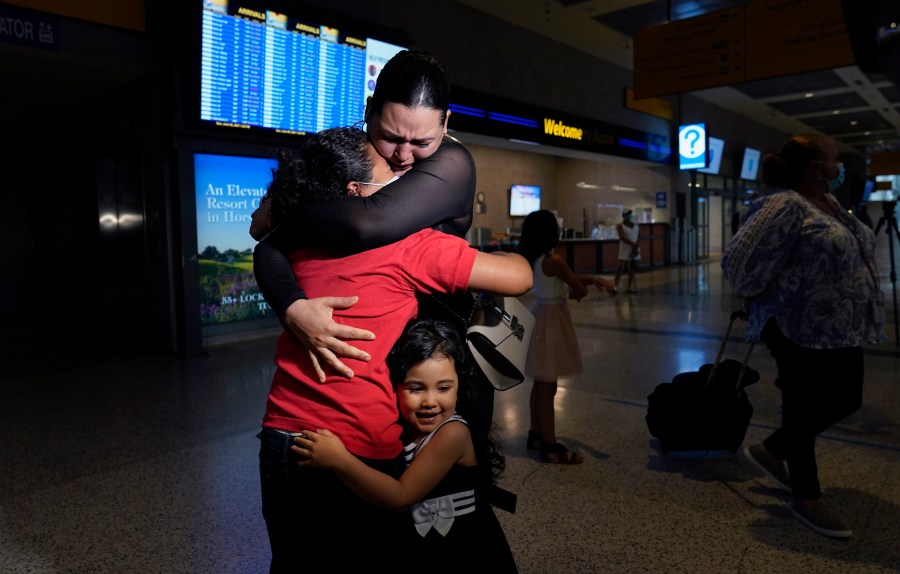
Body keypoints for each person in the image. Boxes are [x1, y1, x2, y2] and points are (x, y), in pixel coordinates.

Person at [257, 126, 532, 572]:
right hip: (354, 444)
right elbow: (520, 276)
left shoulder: (300, 241)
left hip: (282, 438)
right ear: (358, 191)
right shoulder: (407, 246)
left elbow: (263, 237)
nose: (404, 171)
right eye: (390, 167)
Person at [252, 49, 478, 382]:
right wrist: (292, 308)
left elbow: (366, 223)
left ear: (445, 123)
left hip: (431, 362)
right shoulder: (355, 160)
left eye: (422, 142)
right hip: (361, 365)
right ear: (369, 109)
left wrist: (283, 203)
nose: (403, 156)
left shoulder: (452, 164)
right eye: (390, 137)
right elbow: (270, 245)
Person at [722, 134, 885, 539]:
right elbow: (738, 262)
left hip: (840, 327)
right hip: (797, 325)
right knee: (802, 405)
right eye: (834, 158)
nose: (839, 164)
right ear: (815, 166)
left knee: (848, 398)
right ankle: (806, 496)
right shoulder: (785, 204)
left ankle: (773, 449)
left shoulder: (828, 203)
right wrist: (761, 295)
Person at [292, 319, 518, 573]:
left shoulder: (453, 433)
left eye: (443, 388)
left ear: (459, 387)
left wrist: (338, 459)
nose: (430, 401)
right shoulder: (404, 429)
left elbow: (400, 496)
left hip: (462, 551)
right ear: (395, 387)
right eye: (416, 388)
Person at [517, 209, 616, 464]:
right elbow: (575, 285)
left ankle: (536, 435)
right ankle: (550, 447)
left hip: (541, 314)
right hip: (552, 319)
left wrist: (594, 279)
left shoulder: (537, 258)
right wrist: (585, 287)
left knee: (541, 381)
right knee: (548, 384)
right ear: (552, 232)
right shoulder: (555, 260)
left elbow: (566, 280)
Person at [614, 208, 640, 294]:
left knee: (632, 266)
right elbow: (622, 237)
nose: (629, 216)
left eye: (630, 214)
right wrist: (632, 243)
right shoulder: (620, 226)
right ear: (624, 216)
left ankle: (629, 286)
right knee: (620, 266)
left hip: (634, 248)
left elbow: (639, 236)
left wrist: (636, 245)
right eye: (628, 215)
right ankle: (615, 286)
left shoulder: (636, 226)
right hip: (625, 248)